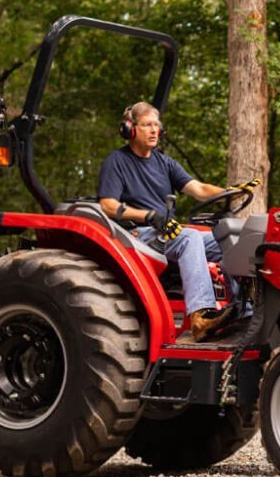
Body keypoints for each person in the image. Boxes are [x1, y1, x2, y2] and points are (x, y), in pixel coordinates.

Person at [98, 101, 230, 342]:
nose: (154, 130)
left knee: (228, 238)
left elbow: (199, 189)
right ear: (130, 129)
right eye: (147, 125)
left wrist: (231, 192)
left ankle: (244, 312)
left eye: (156, 125)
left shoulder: (165, 162)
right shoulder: (116, 161)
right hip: (138, 235)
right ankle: (201, 317)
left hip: (166, 233)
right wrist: (149, 216)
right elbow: (107, 205)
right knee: (189, 237)